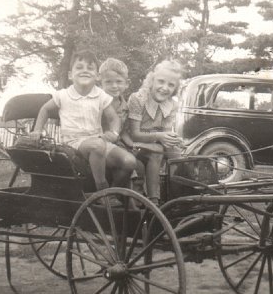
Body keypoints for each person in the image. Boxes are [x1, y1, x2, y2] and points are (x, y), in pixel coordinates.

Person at [31, 50, 137, 198]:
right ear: (70, 74)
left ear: (97, 75)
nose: (85, 71)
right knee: (97, 145)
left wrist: (113, 133)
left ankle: (112, 195)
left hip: (97, 140)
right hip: (72, 142)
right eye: (79, 67)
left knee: (129, 161)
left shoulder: (101, 95)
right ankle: (101, 189)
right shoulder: (63, 95)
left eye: (90, 68)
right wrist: (37, 130)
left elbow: (114, 119)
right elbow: (45, 110)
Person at [123, 60, 184, 204]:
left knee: (178, 153)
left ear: (175, 88)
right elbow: (134, 134)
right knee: (157, 151)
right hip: (132, 142)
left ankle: (178, 195)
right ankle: (153, 200)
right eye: (161, 82)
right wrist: (160, 137)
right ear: (152, 81)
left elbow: (166, 132)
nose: (165, 88)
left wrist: (173, 139)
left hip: (153, 141)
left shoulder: (171, 104)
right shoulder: (138, 99)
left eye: (171, 85)